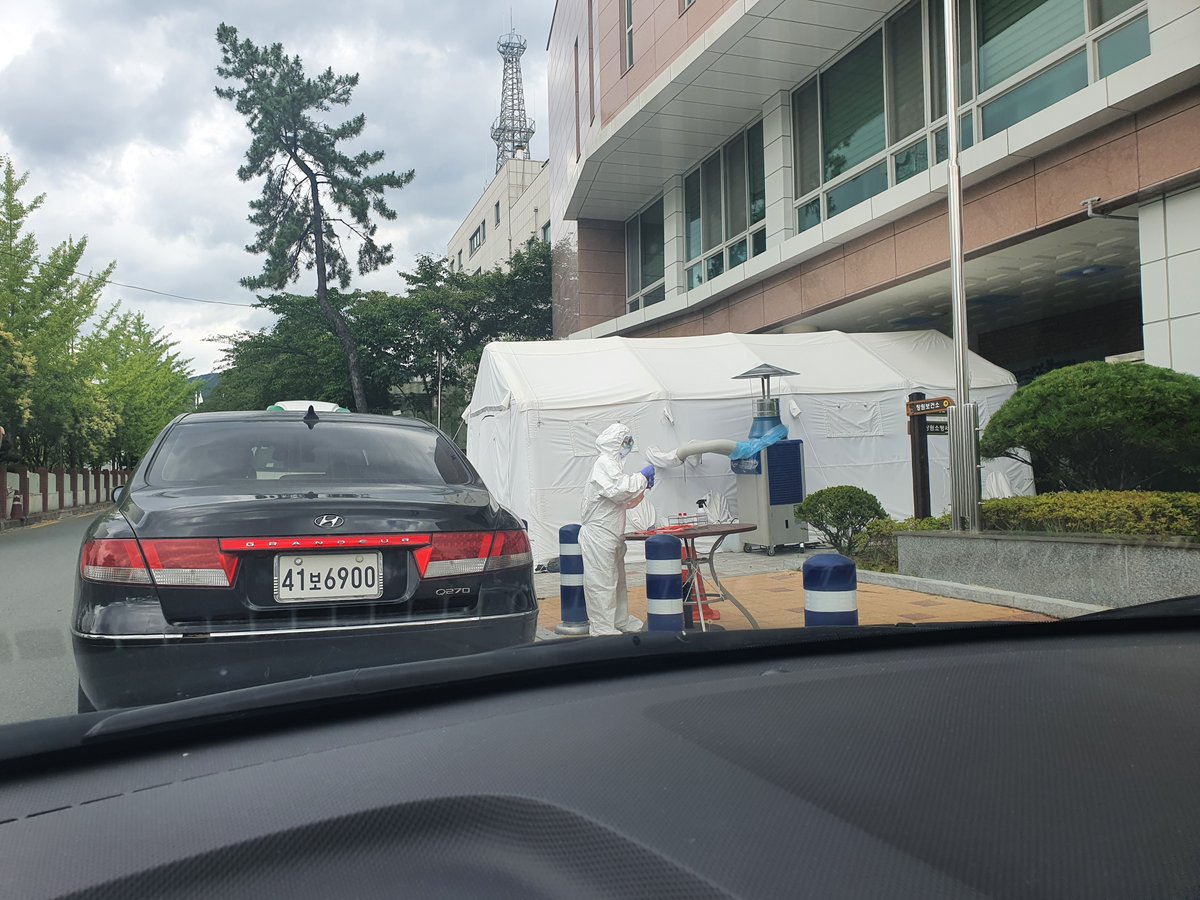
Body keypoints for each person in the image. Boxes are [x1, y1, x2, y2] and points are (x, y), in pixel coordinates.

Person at [579, 423, 656, 636]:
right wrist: (641, 477)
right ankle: (602, 627)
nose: (628, 446)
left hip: (611, 535)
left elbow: (624, 500)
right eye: (626, 441)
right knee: (601, 583)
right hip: (598, 535)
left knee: (617, 582)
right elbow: (618, 489)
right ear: (616, 442)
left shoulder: (614, 465)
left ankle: (619, 621)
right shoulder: (604, 463)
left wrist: (644, 488)